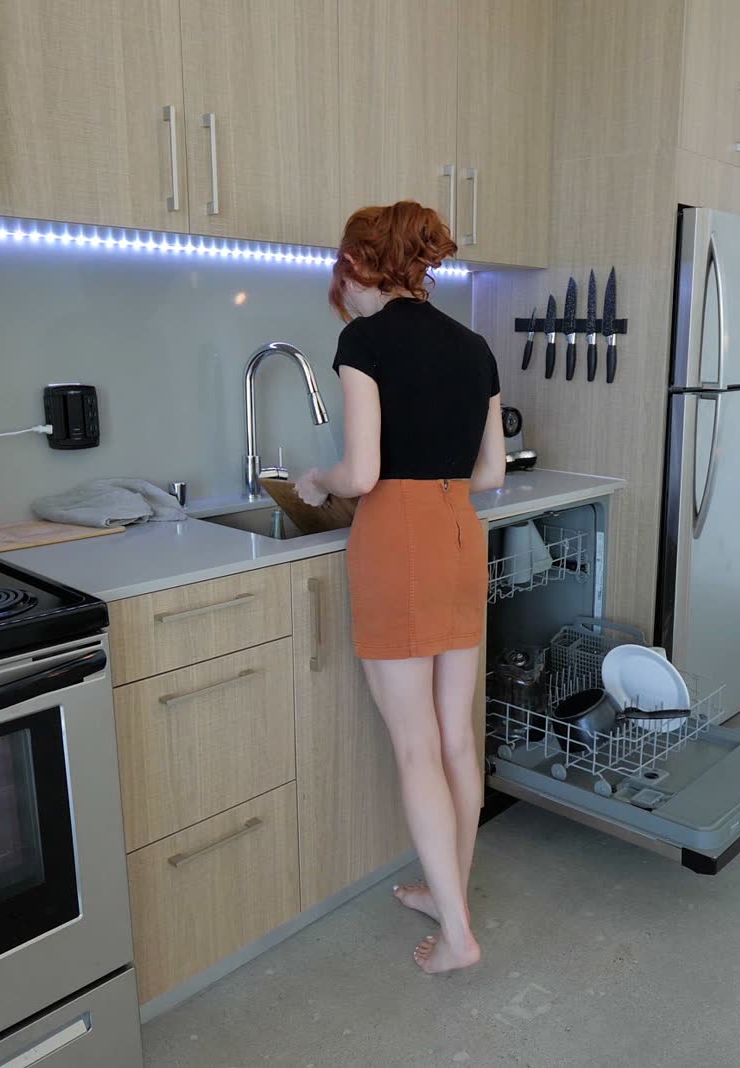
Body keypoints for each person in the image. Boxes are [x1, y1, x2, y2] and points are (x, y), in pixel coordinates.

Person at [295, 201, 506, 974]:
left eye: (341, 279)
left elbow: (362, 473)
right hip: (459, 533)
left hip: (398, 539)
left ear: (358, 264)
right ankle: (451, 900)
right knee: (454, 740)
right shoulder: (474, 346)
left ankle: (458, 938)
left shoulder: (364, 340)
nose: (342, 296)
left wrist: (316, 480)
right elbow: (491, 472)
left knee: (417, 748)